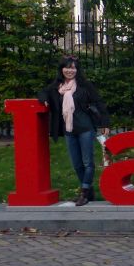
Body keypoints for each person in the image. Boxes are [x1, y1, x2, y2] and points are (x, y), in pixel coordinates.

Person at [38, 56, 111, 206]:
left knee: (87, 163)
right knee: (76, 164)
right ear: (62, 69)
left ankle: (84, 192)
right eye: (67, 67)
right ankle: (89, 191)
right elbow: (42, 92)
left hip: (85, 128)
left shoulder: (84, 85)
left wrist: (105, 124)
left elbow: (99, 102)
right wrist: (44, 99)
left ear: (77, 70)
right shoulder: (57, 86)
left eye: (73, 67)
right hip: (69, 130)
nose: (70, 70)